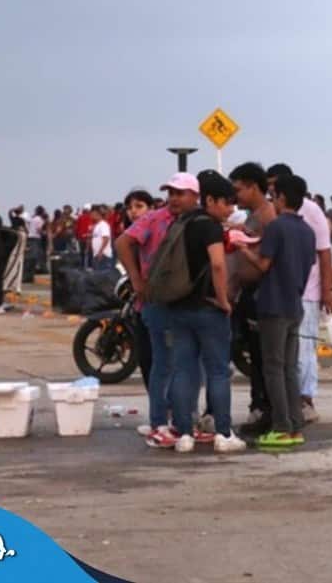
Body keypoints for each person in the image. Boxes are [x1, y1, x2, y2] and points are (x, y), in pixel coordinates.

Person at [116, 173, 199, 448]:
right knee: (162, 363)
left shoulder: (196, 221)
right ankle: (159, 423)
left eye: (180, 193)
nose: (174, 198)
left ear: (194, 196)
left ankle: (183, 420)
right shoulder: (155, 219)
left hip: (186, 302)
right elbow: (123, 242)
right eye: (170, 193)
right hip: (157, 302)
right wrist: (137, 279)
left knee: (184, 364)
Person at [168, 172, 246, 454]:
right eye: (227, 203)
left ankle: (184, 435)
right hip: (207, 308)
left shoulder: (179, 223)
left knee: (184, 371)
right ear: (210, 200)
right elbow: (217, 265)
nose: (230, 209)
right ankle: (223, 434)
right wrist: (224, 300)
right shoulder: (210, 227)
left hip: (178, 306)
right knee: (217, 372)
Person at [237, 175, 316, 446]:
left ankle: (281, 426)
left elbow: (262, 265)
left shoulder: (277, 227)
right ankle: (295, 425)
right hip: (295, 304)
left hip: (272, 305)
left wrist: (242, 248)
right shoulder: (307, 231)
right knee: (289, 369)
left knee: (273, 368)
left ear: (281, 197)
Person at [266, 164, 332, 423]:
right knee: (287, 356)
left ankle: (305, 400)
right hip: (285, 291)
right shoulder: (275, 213)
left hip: (308, 290)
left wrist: (327, 290)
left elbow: (325, 251)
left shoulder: (311, 211)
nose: (271, 194)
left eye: (274, 189)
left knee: (303, 351)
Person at [229, 162, 277, 432]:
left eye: (239, 190)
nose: (236, 196)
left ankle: (263, 411)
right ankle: (258, 407)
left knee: (261, 357)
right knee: (253, 356)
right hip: (248, 293)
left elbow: (265, 261)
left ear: (254, 187)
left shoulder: (267, 217)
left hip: (260, 294)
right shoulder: (253, 216)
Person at [122, 189, 155, 392]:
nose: (133, 212)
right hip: (140, 304)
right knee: (145, 357)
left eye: (139, 206)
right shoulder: (129, 236)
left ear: (151, 209)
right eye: (130, 207)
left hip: (155, 302)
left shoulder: (156, 232)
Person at [90, 205, 114, 271]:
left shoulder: (103, 225)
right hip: (97, 255)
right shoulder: (97, 225)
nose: (91, 216)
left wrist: (101, 252)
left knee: (102, 277)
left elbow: (106, 238)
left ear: (97, 214)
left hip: (103, 255)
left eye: (92, 214)